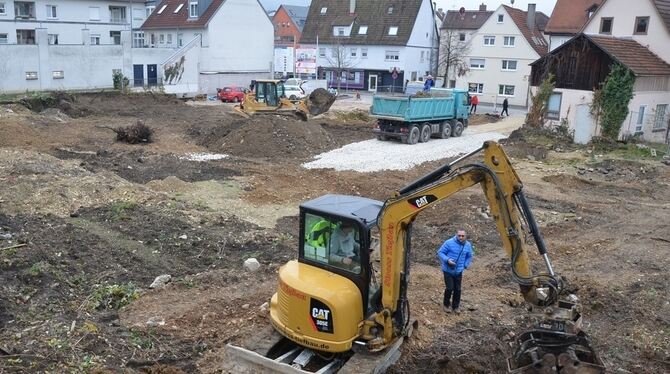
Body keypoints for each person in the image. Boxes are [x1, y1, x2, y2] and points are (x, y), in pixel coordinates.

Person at [437, 229, 474, 314]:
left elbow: (469, 256)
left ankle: (455, 307)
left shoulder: (468, 245)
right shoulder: (449, 242)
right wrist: (447, 260)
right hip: (448, 270)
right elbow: (440, 252)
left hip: (458, 271)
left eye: (462, 236)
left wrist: (465, 265)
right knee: (450, 288)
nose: (460, 237)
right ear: (456, 235)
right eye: (459, 235)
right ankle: (446, 305)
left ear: (466, 236)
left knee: (458, 289)